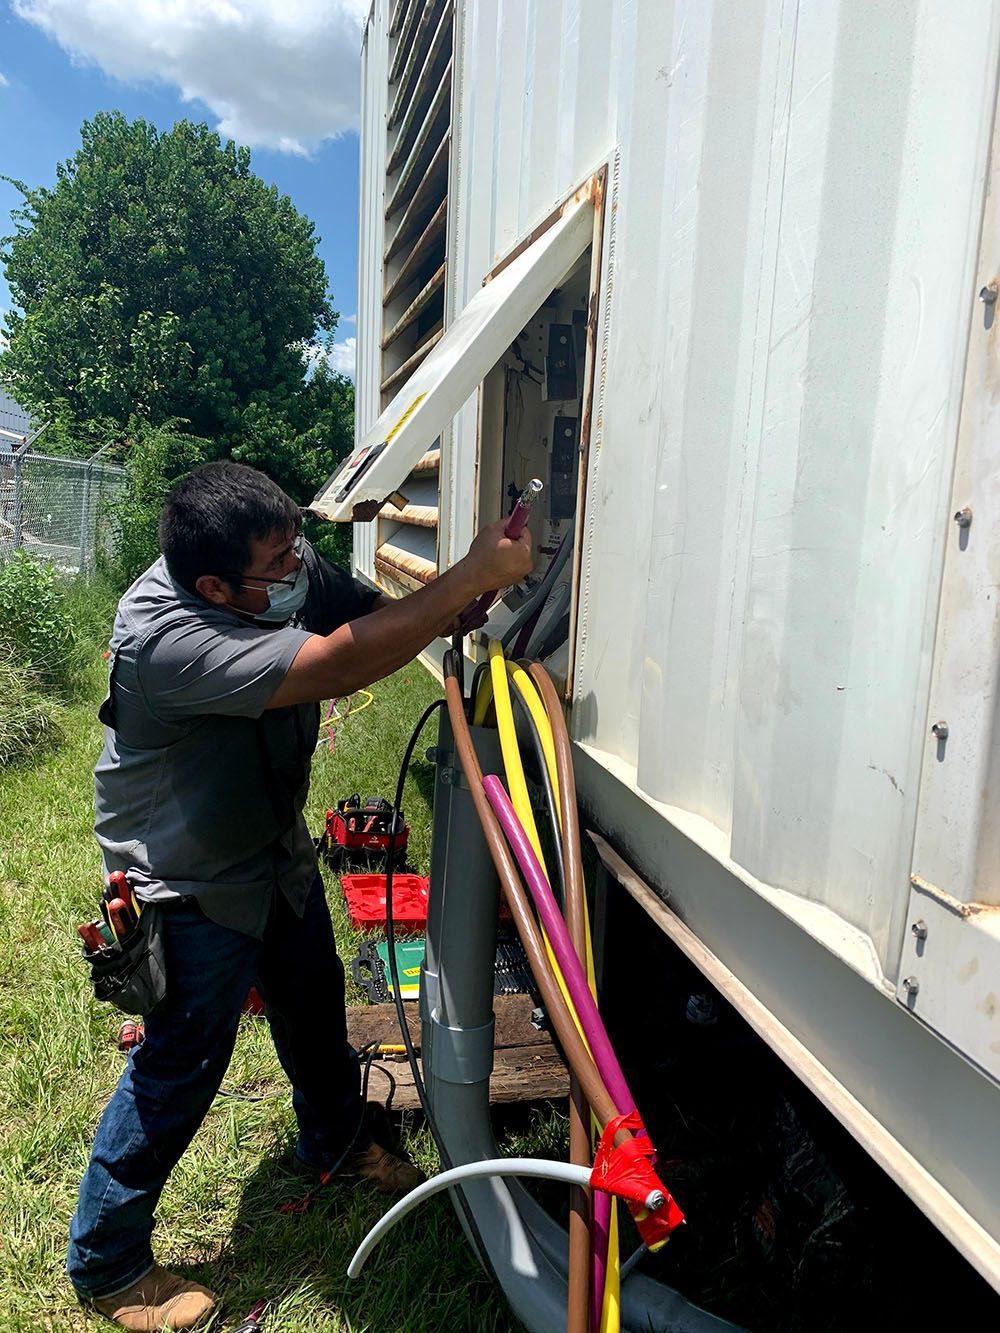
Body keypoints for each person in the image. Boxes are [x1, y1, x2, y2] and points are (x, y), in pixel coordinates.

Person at [67, 461, 533, 1331]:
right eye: (276, 567)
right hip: (189, 875)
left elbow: (356, 614)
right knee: (179, 1064)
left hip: (270, 846)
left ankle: (339, 1140)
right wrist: (465, 576)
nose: (296, 572)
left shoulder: (270, 566)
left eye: (295, 551)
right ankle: (109, 1261)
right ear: (213, 584)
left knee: (313, 1005)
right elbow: (334, 663)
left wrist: (453, 604)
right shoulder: (165, 641)